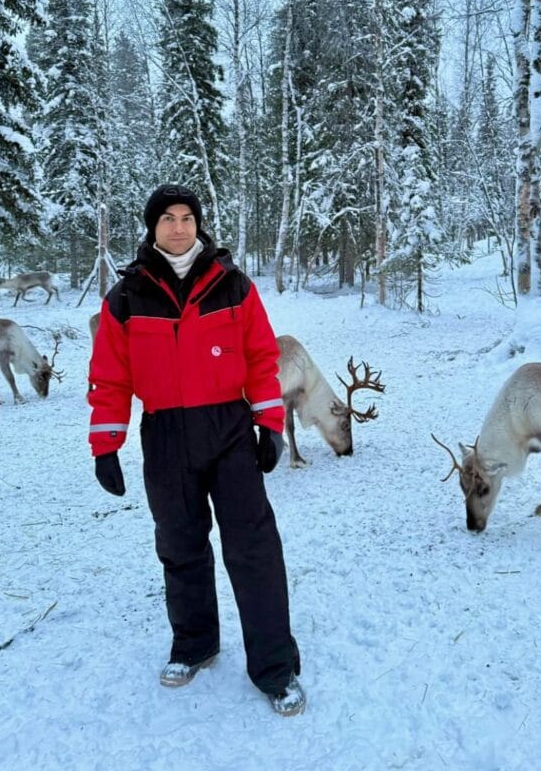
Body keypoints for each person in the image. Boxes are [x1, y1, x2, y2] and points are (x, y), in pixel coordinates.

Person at [88, 184, 305, 717]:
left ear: (199, 225)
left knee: (253, 549)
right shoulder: (126, 297)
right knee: (180, 545)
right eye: (168, 218)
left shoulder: (233, 286)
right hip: (164, 434)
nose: (179, 227)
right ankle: (195, 643)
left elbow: (260, 357)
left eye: (188, 217)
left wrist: (270, 424)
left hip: (229, 429)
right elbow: (110, 376)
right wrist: (105, 442)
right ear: (152, 227)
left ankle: (275, 667)